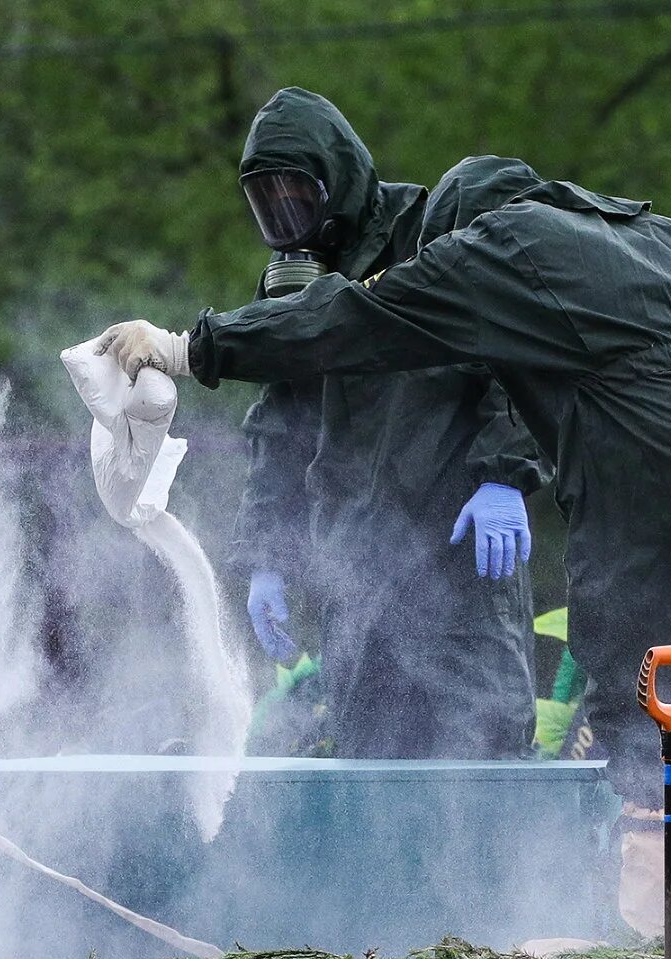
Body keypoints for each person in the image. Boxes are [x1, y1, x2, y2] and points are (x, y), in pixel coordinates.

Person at [98, 156, 671, 959]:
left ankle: (668, 954)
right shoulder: (670, 237)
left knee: (656, 693)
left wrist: (190, 346)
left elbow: (353, 318)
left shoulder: (501, 243)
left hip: (660, 460)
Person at [226, 90, 545, 759]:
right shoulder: (292, 287)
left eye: (297, 198)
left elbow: (521, 353)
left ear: (336, 180)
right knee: (370, 782)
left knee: (483, 768)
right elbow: (277, 429)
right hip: (356, 583)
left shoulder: (434, 233)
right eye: (268, 204)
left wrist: (505, 473)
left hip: (459, 565)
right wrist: (268, 557)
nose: (286, 219)